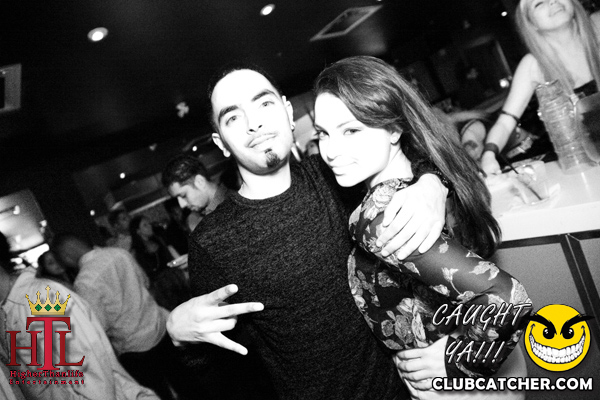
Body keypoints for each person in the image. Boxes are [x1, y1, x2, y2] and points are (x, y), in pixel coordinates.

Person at [165, 63, 450, 399]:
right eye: (233, 117)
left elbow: (406, 145)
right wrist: (180, 339)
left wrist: (432, 183)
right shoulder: (212, 242)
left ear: (288, 113)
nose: (254, 122)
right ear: (222, 143)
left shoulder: (337, 174)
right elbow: (221, 369)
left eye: (264, 103)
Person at [313, 56, 531, 399]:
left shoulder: (381, 213)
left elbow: (508, 299)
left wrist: (458, 361)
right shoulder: (427, 178)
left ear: (394, 129)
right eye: (322, 133)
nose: (331, 151)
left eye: (351, 130)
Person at [0, 233, 159, 400]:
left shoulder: (44, 298)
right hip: (150, 333)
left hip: (132, 350)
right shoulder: (12, 309)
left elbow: (91, 375)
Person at [52, 233, 179, 400]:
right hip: (159, 327)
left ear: (67, 257)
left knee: (158, 394)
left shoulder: (85, 282)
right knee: (186, 382)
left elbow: (98, 325)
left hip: (133, 348)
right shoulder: (119, 253)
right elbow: (145, 282)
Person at [481, 0, 600, 174]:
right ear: (531, 23)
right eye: (539, 3)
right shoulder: (533, 65)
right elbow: (506, 122)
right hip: (587, 164)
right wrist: (489, 154)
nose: (552, 1)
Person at [129, 215, 177, 280]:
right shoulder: (137, 251)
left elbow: (169, 257)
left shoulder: (157, 240)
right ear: (138, 231)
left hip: (173, 275)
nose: (150, 226)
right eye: (145, 225)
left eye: (149, 223)